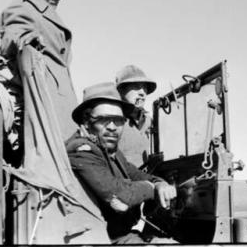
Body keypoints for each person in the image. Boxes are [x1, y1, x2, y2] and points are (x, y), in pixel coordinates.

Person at [66, 82, 177, 244]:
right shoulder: (81, 150)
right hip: (102, 238)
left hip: (119, 234)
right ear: (86, 120)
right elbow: (122, 197)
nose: (112, 127)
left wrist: (160, 183)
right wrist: (151, 188)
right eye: (103, 119)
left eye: (118, 120)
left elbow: (136, 174)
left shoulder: (111, 151)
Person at [0, 0, 77, 140]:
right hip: (43, 103)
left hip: (61, 105)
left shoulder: (47, 13)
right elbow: (10, 37)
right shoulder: (23, 7)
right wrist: (24, 40)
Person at [115, 65, 157, 167]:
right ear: (121, 90)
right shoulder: (113, 121)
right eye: (136, 87)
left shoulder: (149, 121)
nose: (142, 93)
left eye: (144, 88)